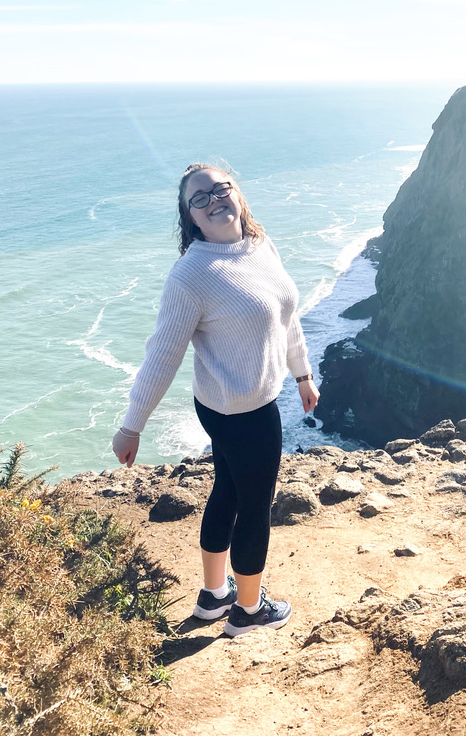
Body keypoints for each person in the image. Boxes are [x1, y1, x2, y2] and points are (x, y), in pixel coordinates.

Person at [111, 162, 319, 637]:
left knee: (227, 489)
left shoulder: (261, 246)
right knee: (255, 506)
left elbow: (286, 314)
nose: (215, 200)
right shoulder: (191, 276)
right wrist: (132, 425)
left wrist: (302, 373)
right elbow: (162, 355)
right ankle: (248, 611)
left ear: (238, 193)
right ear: (192, 219)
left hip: (238, 403)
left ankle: (214, 596)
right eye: (200, 198)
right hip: (240, 413)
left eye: (221, 189)